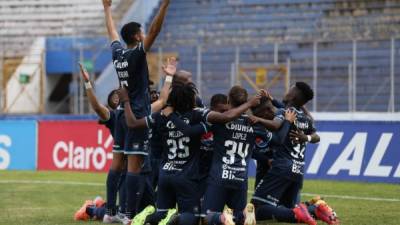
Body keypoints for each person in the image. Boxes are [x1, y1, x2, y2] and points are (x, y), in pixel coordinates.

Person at [119, 84, 262, 225]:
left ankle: (147, 217)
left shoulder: (161, 115)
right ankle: (174, 219)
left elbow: (132, 123)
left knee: (162, 211)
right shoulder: (198, 114)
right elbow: (226, 117)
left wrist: (125, 101)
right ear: (190, 100)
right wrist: (249, 104)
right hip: (187, 176)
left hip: (165, 174)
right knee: (192, 216)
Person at [102, 0, 171, 222]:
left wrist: (106, 8)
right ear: (137, 37)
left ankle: (110, 213)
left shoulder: (118, 54)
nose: (144, 34)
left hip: (122, 113)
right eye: (141, 32)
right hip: (139, 113)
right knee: (134, 167)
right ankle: (128, 215)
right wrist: (165, 6)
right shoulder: (136, 54)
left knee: (116, 163)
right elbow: (155, 30)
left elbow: (112, 32)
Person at [201, 86, 294, 225]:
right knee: (239, 219)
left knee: (207, 218)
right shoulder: (253, 123)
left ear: (228, 100)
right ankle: (243, 216)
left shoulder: (220, 121)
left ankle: (224, 217)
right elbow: (277, 140)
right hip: (241, 180)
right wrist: (287, 122)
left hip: (219, 178)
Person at [251, 82, 338, 225]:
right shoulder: (305, 118)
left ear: (293, 94)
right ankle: (315, 207)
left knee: (257, 209)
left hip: (282, 167)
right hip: (298, 169)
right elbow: (316, 137)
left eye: (290, 89)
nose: (287, 90)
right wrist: (306, 137)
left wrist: (258, 119)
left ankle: (314, 209)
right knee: (290, 210)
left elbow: (276, 125)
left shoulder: (284, 113)